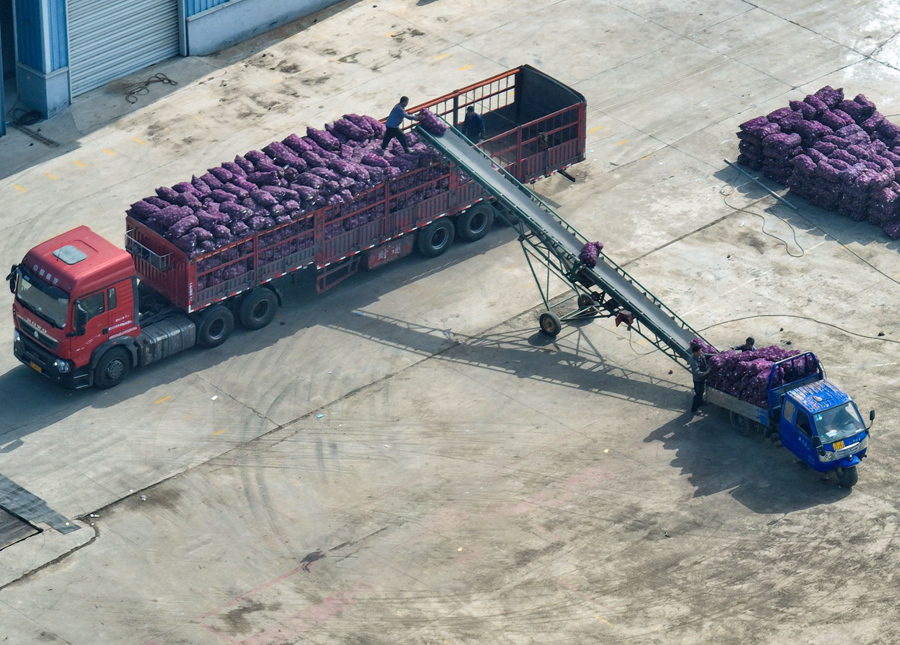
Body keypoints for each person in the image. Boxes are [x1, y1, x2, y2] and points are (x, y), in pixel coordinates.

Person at [689, 343, 711, 414]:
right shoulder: (693, 361)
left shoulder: (701, 356)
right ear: (695, 352)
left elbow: (707, 355)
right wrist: (706, 372)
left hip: (703, 378)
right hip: (698, 380)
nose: (701, 352)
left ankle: (701, 402)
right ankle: (694, 409)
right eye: (700, 351)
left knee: (701, 392)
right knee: (698, 394)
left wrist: (718, 354)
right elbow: (697, 373)